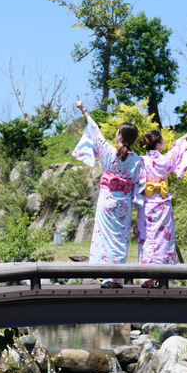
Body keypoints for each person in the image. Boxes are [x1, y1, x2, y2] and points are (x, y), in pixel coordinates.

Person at [72, 97, 145, 288]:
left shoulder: (108, 151)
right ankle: (115, 279)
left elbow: (94, 129)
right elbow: (139, 181)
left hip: (106, 199)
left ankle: (100, 274)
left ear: (120, 136)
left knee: (102, 235)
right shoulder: (137, 159)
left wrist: (83, 108)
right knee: (120, 238)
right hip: (124, 203)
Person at [135, 114, 187, 287]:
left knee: (146, 239)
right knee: (162, 240)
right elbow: (180, 143)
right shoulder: (166, 160)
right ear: (158, 145)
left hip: (146, 203)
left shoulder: (140, 161)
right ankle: (162, 277)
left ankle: (146, 278)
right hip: (162, 204)